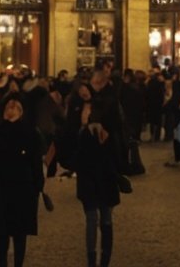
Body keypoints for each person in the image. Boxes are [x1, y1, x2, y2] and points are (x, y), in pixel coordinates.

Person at [0, 94, 44, 267]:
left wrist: (38, 185)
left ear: (21, 112)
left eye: (15, 107)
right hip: (2, 187)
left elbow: (36, 162)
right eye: (9, 106)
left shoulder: (30, 133)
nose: (12, 109)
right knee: (2, 234)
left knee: (19, 234)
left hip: (22, 188)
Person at [69, 95, 121, 267]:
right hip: (102, 183)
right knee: (103, 220)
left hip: (94, 183)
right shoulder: (102, 132)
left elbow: (76, 160)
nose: (83, 114)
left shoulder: (86, 134)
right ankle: (101, 260)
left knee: (97, 220)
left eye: (86, 111)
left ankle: (96, 261)